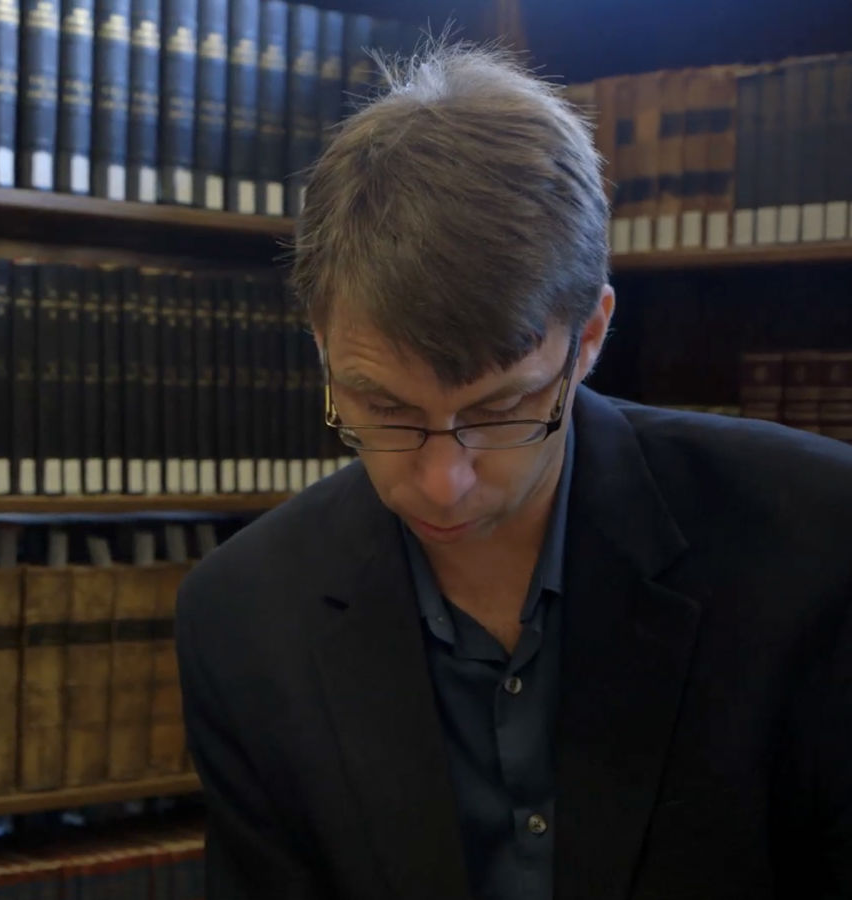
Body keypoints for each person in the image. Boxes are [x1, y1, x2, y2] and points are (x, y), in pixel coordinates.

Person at [177, 44, 852, 900]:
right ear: (320, 340)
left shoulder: (821, 548)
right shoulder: (241, 619)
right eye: (384, 410)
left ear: (593, 336)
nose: (442, 480)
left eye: (500, 411)